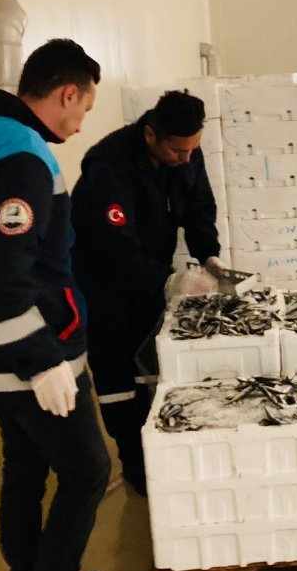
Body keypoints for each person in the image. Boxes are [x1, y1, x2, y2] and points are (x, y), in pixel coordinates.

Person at [0, 38, 132, 571]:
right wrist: (42, 363)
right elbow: (2, 274)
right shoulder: (23, 159)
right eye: (84, 108)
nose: (82, 123)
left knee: (26, 468)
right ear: (67, 93)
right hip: (20, 357)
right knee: (88, 471)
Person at [71, 90, 223, 496]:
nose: (186, 159)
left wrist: (209, 255)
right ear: (151, 134)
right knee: (120, 378)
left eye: (193, 149)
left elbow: (199, 207)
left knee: (152, 367)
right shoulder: (109, 167)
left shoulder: (186, 154)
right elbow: (115, 249)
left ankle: (161, 450)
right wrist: (169, 281)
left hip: (149, 276)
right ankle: (134, 464)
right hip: (105, 285)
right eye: (177, 150)